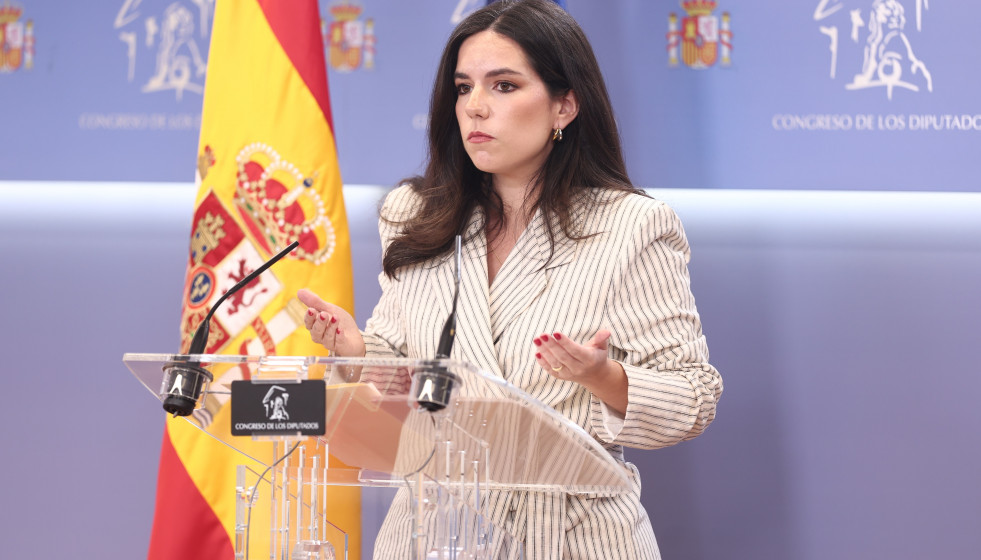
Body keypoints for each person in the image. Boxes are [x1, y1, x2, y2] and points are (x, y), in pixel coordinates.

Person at [298, 0, 722, 558]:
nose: (475, 107)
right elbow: (406, 373)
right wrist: (357, 351)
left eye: (503, 86)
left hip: (572, 536)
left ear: (563, 106)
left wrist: (602, 376)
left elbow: (692, 398)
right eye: (463, 87)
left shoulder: (631, 226)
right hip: (432, 533)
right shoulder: (412, 213)